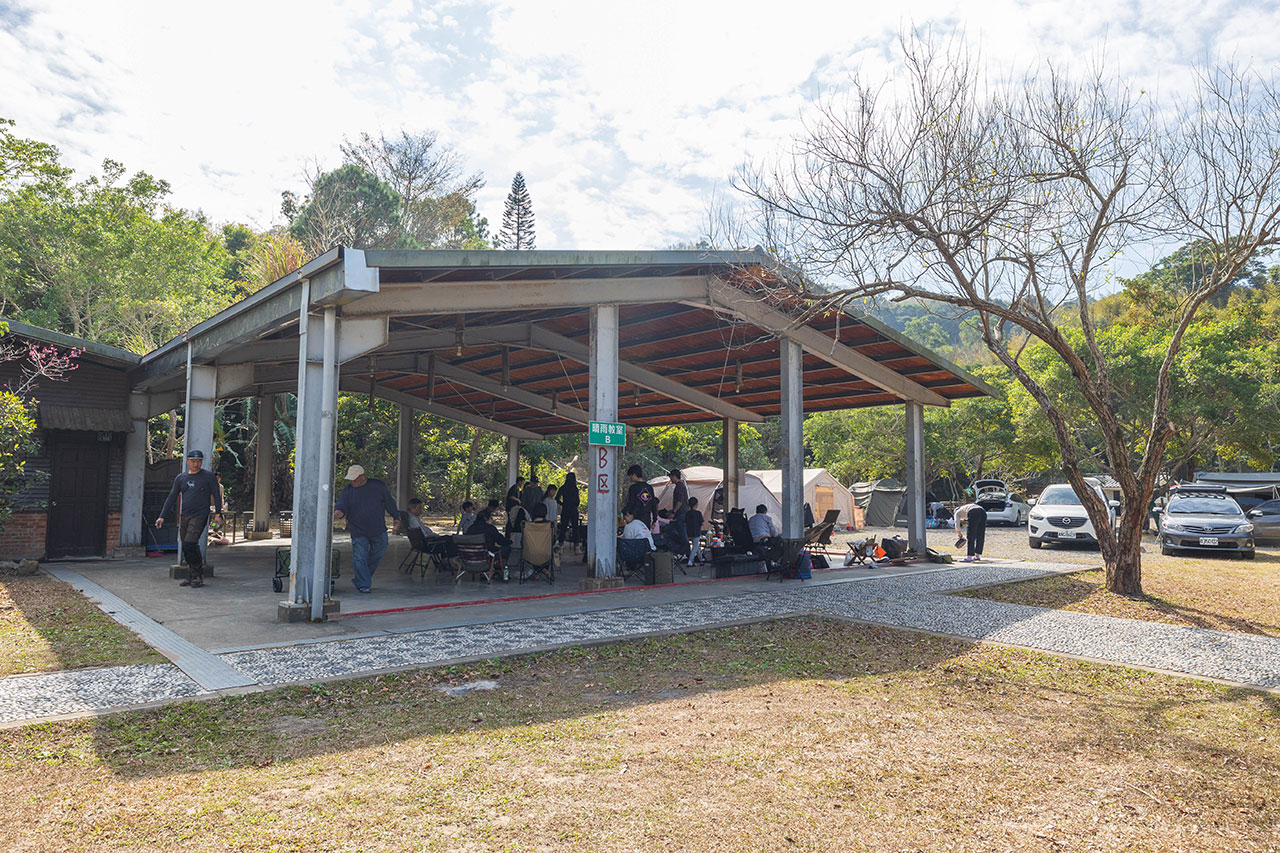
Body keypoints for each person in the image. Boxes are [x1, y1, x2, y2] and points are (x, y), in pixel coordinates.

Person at [155, 449, 222, 588]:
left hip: (200, 514)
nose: (196, 464)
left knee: (190, 543)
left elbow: (216, 495)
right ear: (187, 461)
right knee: (186, 546)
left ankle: (198, 575)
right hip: (185, 515)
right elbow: (172, 497)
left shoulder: (208, 477)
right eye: (193, 461)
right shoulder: (181, 478)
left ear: (201, 462)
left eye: (198, 461)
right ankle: (192, 575)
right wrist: (162, 516)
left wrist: (218, 514)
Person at [333, 464, 399, 593]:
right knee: (360, 557)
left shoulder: (378, 486)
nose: (352, 482)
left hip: (378, 528)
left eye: (355, 479)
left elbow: (389, 502)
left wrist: (396, 517)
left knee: (378, 554)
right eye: (350, 479)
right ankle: (364, 585)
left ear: (363, 477)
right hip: (358, 530)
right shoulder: (347, 491)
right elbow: (340, 508)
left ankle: (360, 578)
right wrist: (336, 515)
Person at [557, 472, 580, 545]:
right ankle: (576, 545)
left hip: (565, 509)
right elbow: (577, 500)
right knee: (575, 528)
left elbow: (557, 498)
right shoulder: (575, 488)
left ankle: (561, 544)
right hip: (573, 509)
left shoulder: (563, 487)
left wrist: (563, 504)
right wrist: (575, 505)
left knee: (563, 527)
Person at [685, 496, 706, 566]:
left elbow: (685, 522)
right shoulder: (698, 513)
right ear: (696, 505)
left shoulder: (687, 513)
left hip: (689, 532)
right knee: (695, 547)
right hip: (696, 532)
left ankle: (701, 559)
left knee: (696, 546)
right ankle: (690, 561)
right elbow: (702, 523)